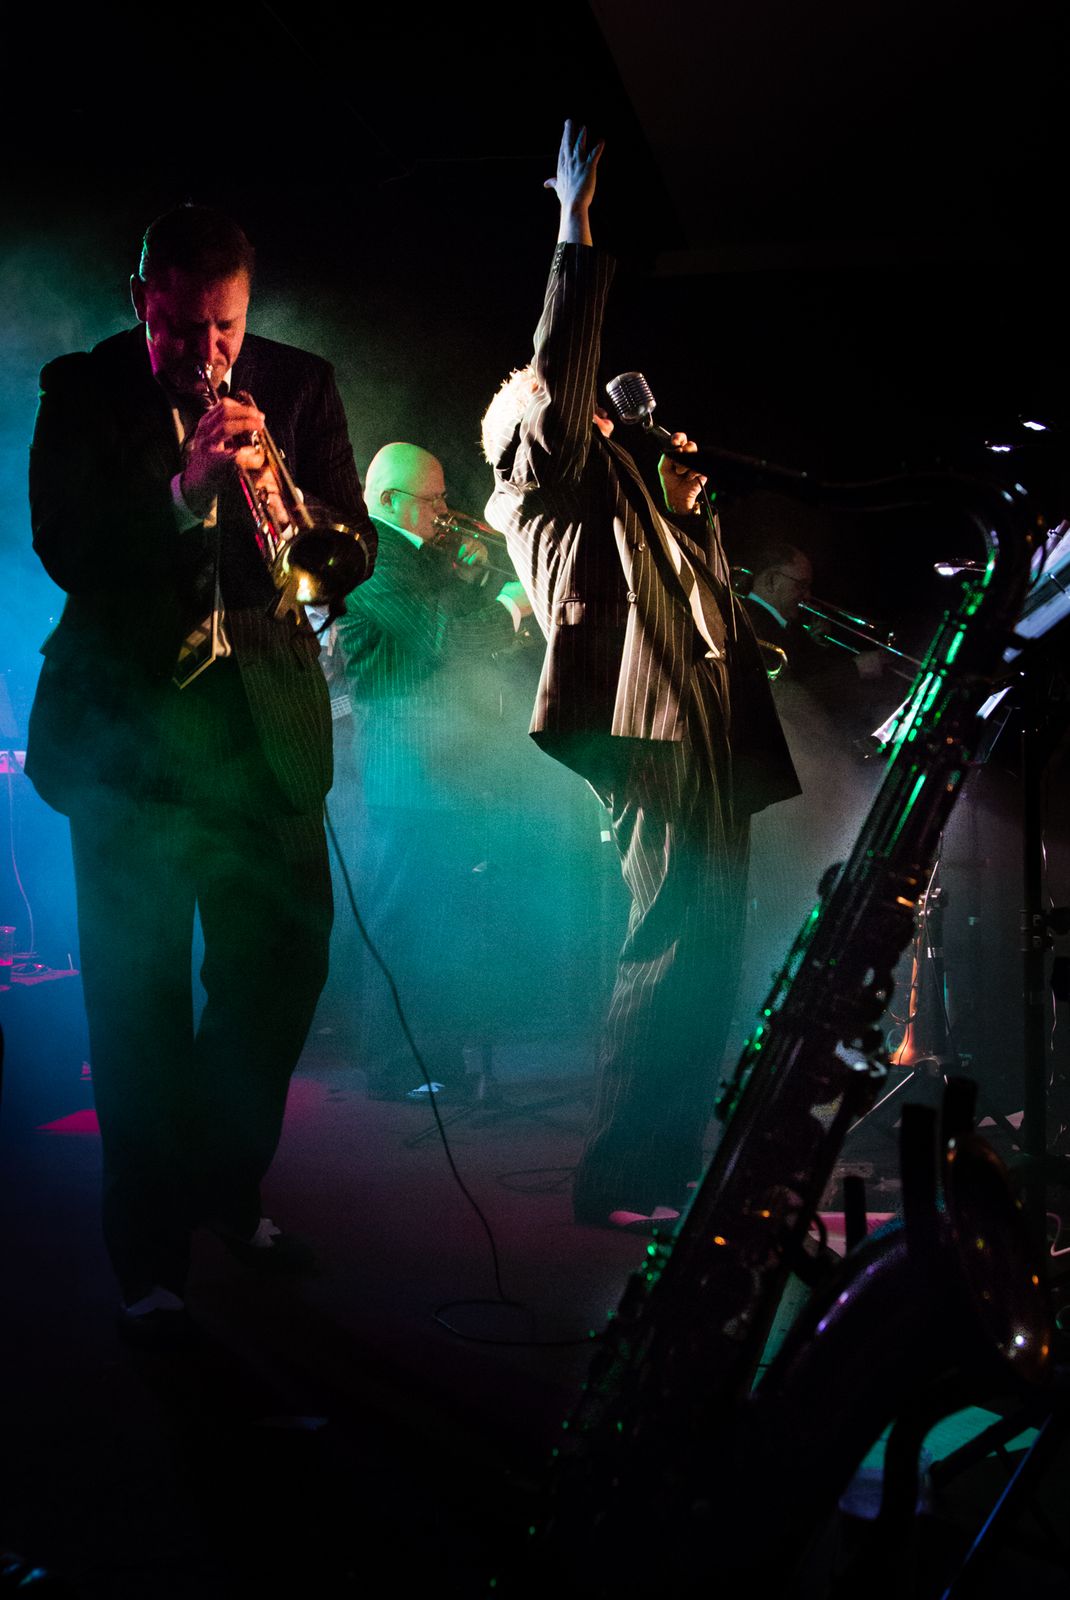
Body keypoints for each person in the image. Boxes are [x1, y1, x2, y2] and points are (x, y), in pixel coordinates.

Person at [25, 204, 375, 1340]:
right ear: (144, 302)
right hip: (129, 750)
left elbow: (351, 544)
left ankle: (223, 1183)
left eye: (224, 326)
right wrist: (182, 495)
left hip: (261, 740)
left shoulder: (299, 384)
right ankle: (150, 1258)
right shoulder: (82, 389)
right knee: (136, 1009)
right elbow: (65, 545)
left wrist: (290, 507)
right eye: (181, 328)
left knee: (282, 976)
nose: (206, 351)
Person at [482, 123, 799, 1231]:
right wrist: (571, 228)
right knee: (666, 942)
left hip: (698, 713)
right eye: (570, 401)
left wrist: (683, 507)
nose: (602, 417)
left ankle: (666, 1164)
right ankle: (617, 1177)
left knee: (707, 949)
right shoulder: (534, 475)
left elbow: (698, 604)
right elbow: (559, 386)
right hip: (641, 722)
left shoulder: (629, 495)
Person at [330, 441, 535, 1099]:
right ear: (390, 500)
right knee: (404, 923)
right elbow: (444, 639)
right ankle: (397, 1067)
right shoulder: (372, 556)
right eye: (434, 499)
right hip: (407, 771)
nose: (446, 511)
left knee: (436, 922)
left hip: (438, 769)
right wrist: (511, 603)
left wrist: (471, 581)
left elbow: (444, 631)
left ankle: (433, 1059)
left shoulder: (412, 555)